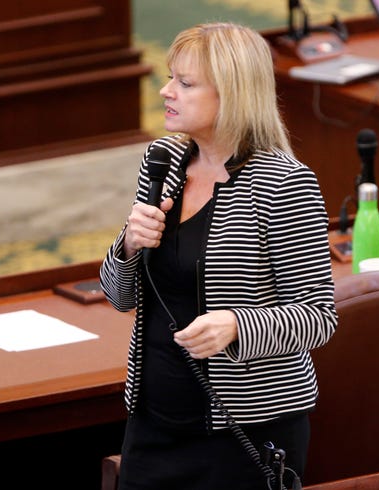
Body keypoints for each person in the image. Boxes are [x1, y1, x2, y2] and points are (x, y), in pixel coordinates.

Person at [99, 22, 337, 490]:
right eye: (171, 77)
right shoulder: (162, 160)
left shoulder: (283, 183)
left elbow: (319, 317)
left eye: (185, 84)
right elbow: (119, 297)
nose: (166, 91)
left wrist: (235, 325)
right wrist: (127, 245)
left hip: (245, 434)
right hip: (151, 425)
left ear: (233, 94)